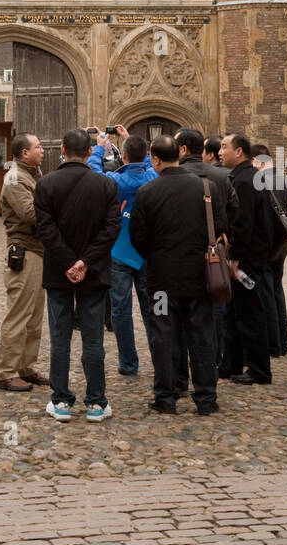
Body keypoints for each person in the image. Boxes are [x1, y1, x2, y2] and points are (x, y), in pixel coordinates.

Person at [130, 135, 226, 416]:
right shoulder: (207, 188)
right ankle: (206, 398)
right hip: (199, 279)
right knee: (202, 336)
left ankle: (166, 395)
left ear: (156, 159)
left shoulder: (148, 192)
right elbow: (221, 227)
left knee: (163, 334)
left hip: (162, 282)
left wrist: (155, 256)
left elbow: (138, 237)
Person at [34, 128, 121, 422]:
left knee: (60, 339)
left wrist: (69, 262)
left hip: (60, 272)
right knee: (94, 339)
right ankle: (96, 401)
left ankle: (61, 401)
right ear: (88, 153)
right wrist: (85, 261)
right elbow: (111, 229)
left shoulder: (45, 184)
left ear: (61, 148)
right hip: (94, 272)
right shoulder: (106, 185)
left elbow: (45, 229)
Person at [87, 123, 155, 376]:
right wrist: (130, 139)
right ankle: (159, 357)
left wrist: (99, 148)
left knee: (120, 310)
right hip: (146, 253)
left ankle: (128, 363)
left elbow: (93, 171)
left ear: (123, 156)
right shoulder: (152, 176)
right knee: (153, 309)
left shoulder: (115, 180)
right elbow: (150, 165)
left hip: (119, 252)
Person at [175, 128, 236, 378]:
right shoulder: (222, 176)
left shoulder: (169, 177)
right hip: (211, 257)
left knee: (176, 322)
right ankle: (211, 369)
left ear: (183, 149)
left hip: (177, 259)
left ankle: (178, 378)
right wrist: (224, 235)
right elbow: (234, 210)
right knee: (210, 316)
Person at [0, 133, 49, 392]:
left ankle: (25, 367)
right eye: (37, 147)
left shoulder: (33, 174)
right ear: (24, 153)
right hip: (25, 252)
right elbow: (30, 214)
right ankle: (6, 372)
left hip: (38, 251)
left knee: (34, 316)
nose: (42, 150)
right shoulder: (16, 179)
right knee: (18, 314)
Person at [218, 132, 273, 385]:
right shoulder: (244, 177)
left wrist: (235, 256)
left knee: (250, 313)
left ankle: (259, 370)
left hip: (248, 259)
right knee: (235, 311)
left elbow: (244, 223)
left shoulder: (244, 181)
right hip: (251, 255)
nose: (220, 152)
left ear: (238, 151)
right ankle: (231, 363)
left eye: (224, 147)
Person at [251, 142, 287, 357]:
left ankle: (274, 343)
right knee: (276, 291)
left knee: (266, 293)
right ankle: (282, 339)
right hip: (281, 244)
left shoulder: (261, 181)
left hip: (267, 244)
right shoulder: (282, 179)